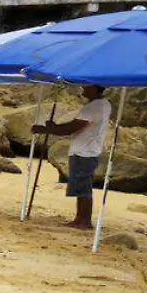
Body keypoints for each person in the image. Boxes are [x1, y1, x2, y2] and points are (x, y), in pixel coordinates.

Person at [32, 85, 113, 229]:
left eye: (86, 86)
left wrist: (47, 129)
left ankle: (84, 221)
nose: (83, 88)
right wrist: (54, 127)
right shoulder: (104, 104)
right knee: (81, 186)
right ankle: (80, 218)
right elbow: (73, 126)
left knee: (83, 187)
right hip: (88, 150)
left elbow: (71, 128)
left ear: (95, 89)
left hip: (84, 152)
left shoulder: (93, 107)